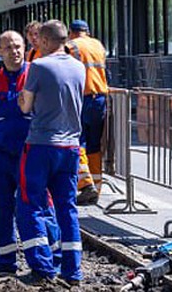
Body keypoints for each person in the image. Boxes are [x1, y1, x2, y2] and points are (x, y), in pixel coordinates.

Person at [0, 30, 60, 277]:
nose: (14, 51)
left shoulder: (35, 75)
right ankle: (5, 261)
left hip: (31, 155)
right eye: (8, 47)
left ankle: (52, 261)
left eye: (18, 46)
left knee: (39, 207)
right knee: (1, 207)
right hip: (0, 156)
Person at [16, 20, 85, 286]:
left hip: (41, 144)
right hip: (70, 146)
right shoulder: (79, 67)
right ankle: (73, 270)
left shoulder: (39, 66)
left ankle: (42, 266)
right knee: (67, 208)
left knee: (30, 204)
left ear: (44, 41)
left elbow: (25, 106)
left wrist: (23, 99)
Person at [67, 19, 108, 205]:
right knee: (94, 144)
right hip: (99, 97)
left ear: (71, 32)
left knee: (77, 142)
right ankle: (96, 188)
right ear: (87, 31)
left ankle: (86, 183)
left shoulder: (71, 46)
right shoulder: (98, 45)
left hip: (81, 98)